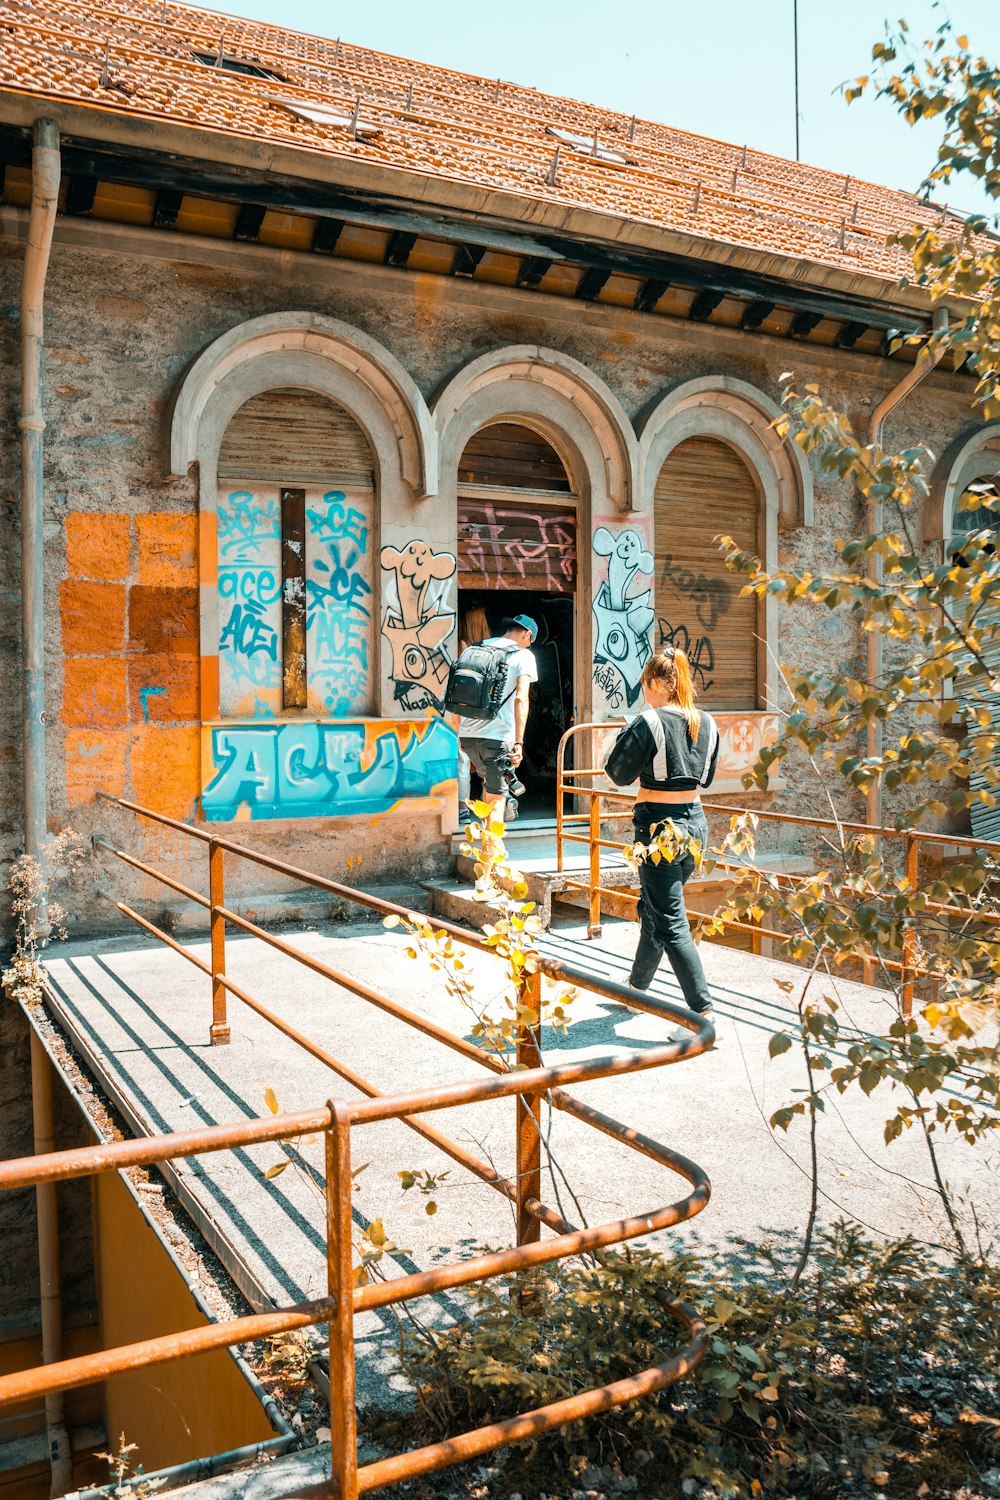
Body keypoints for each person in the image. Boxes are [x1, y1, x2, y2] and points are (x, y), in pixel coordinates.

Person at [604, 646, 719, 1032]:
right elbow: (706, 778)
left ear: (655, 683)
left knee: (669, 920)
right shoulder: (708, 722)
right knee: (656, 909)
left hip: (659, 827)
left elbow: (617, 773)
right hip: (697, 824)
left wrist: (627, 731)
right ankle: (637, 990)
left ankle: (703, 1013)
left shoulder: (648, 721)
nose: (645, 695)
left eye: (645, 687)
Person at [458, 614, 538, 826]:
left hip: (467, 736)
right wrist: (519, 743)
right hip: (497, 738)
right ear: (527, 634)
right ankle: (490, 856)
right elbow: (521, 698)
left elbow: (458, 692)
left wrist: (458, 730)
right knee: (497, 800)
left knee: (490, 788)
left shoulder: (473, 650)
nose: (530, 646)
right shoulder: (523, 656)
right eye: (531, 641)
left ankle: (487, 849)